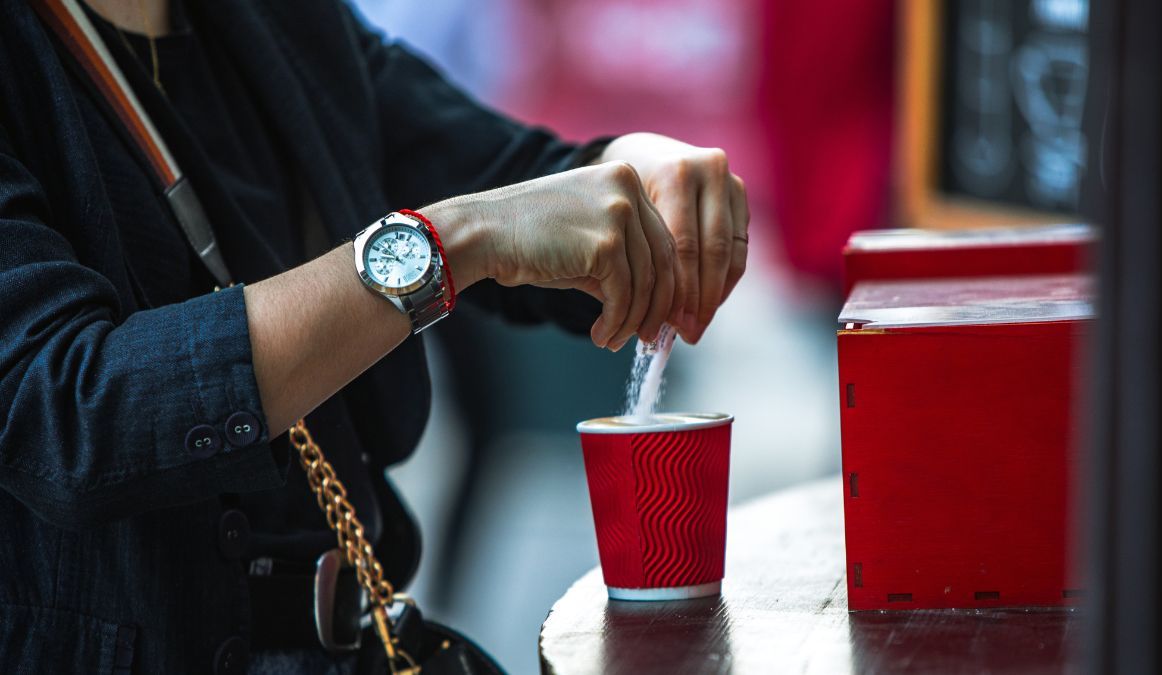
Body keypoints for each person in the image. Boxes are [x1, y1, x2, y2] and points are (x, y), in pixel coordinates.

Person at [0, 0, 749, 672]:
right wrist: (453, 243)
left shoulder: (280, 20)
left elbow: (495, 173)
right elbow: (68, 407)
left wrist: (630, 170)